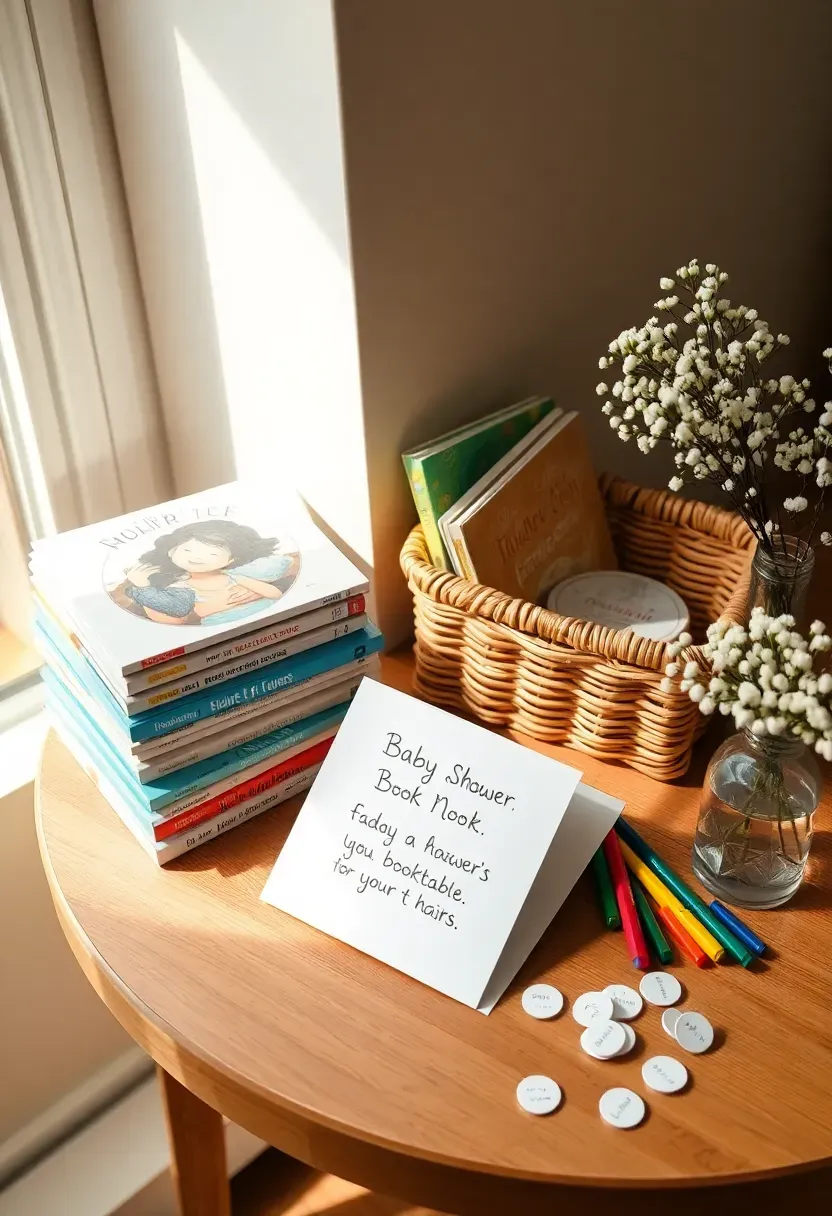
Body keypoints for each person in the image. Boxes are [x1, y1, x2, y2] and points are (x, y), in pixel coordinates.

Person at [121, 519, 295, 626]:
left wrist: (258, 591)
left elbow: (276, 592)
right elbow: (173, 619)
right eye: (187, 550)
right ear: (171, 551)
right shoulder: (179, 587)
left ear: (232, 559)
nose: (196, 557)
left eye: (212, 553)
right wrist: (144, 588)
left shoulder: (237, 575)